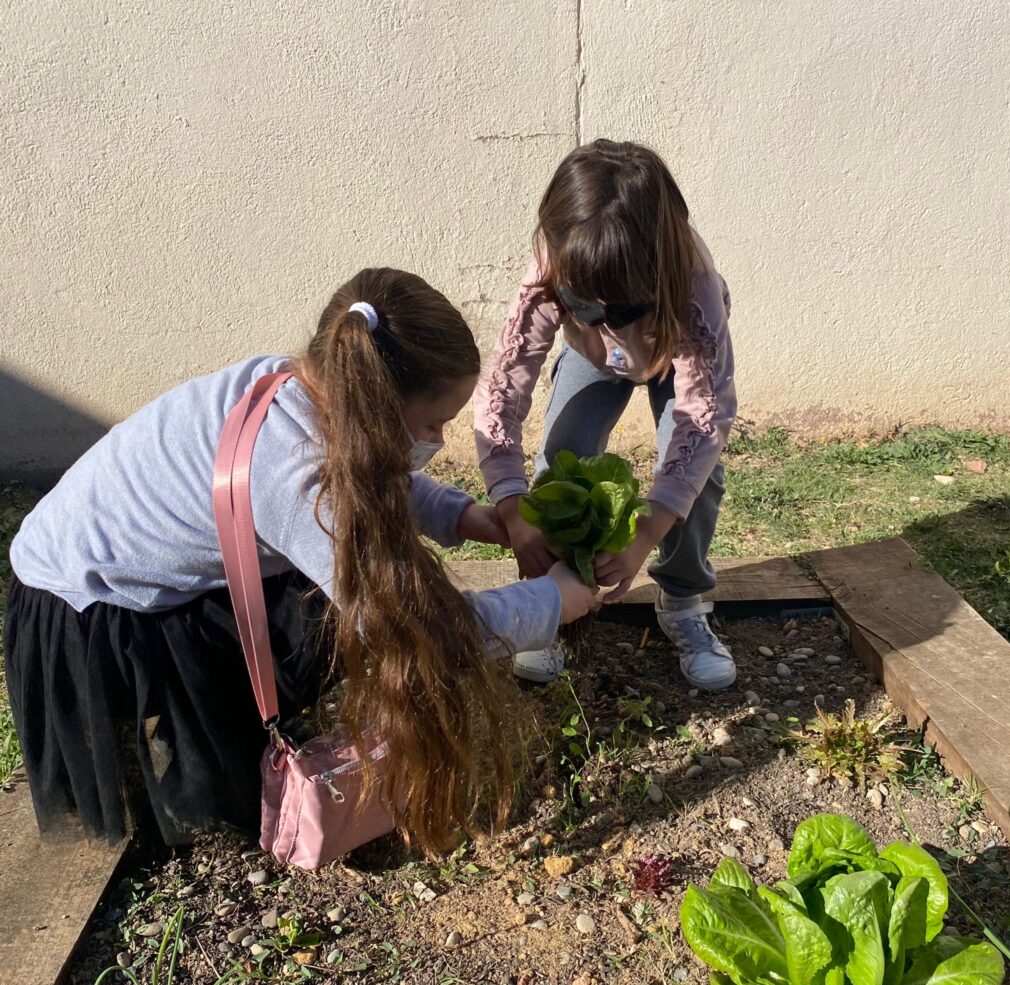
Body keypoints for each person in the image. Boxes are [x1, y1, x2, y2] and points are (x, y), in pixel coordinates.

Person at [5, 267, 599, 857]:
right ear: (376, 404)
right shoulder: (297, 476)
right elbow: (419, 632)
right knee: (348, 620)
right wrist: (554, 602)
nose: (438, 442)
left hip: (91, 561)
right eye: (432, 424)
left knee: (327, 610)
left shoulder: (301, 384)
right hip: (88, 612)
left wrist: (462, 515)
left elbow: (370, 473)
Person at [474, 139, 737, 689]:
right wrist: (514, 508)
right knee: (561, 461)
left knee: (697, 475)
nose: (604, 315)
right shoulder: (553, 270)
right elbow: (503, 387)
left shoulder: (693, 285)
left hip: (674, 353)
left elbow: (703, 415)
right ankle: (555, 603)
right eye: (585, 305)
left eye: (621, 306)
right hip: (591, 360)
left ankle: (683, 600)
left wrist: (644, 535)